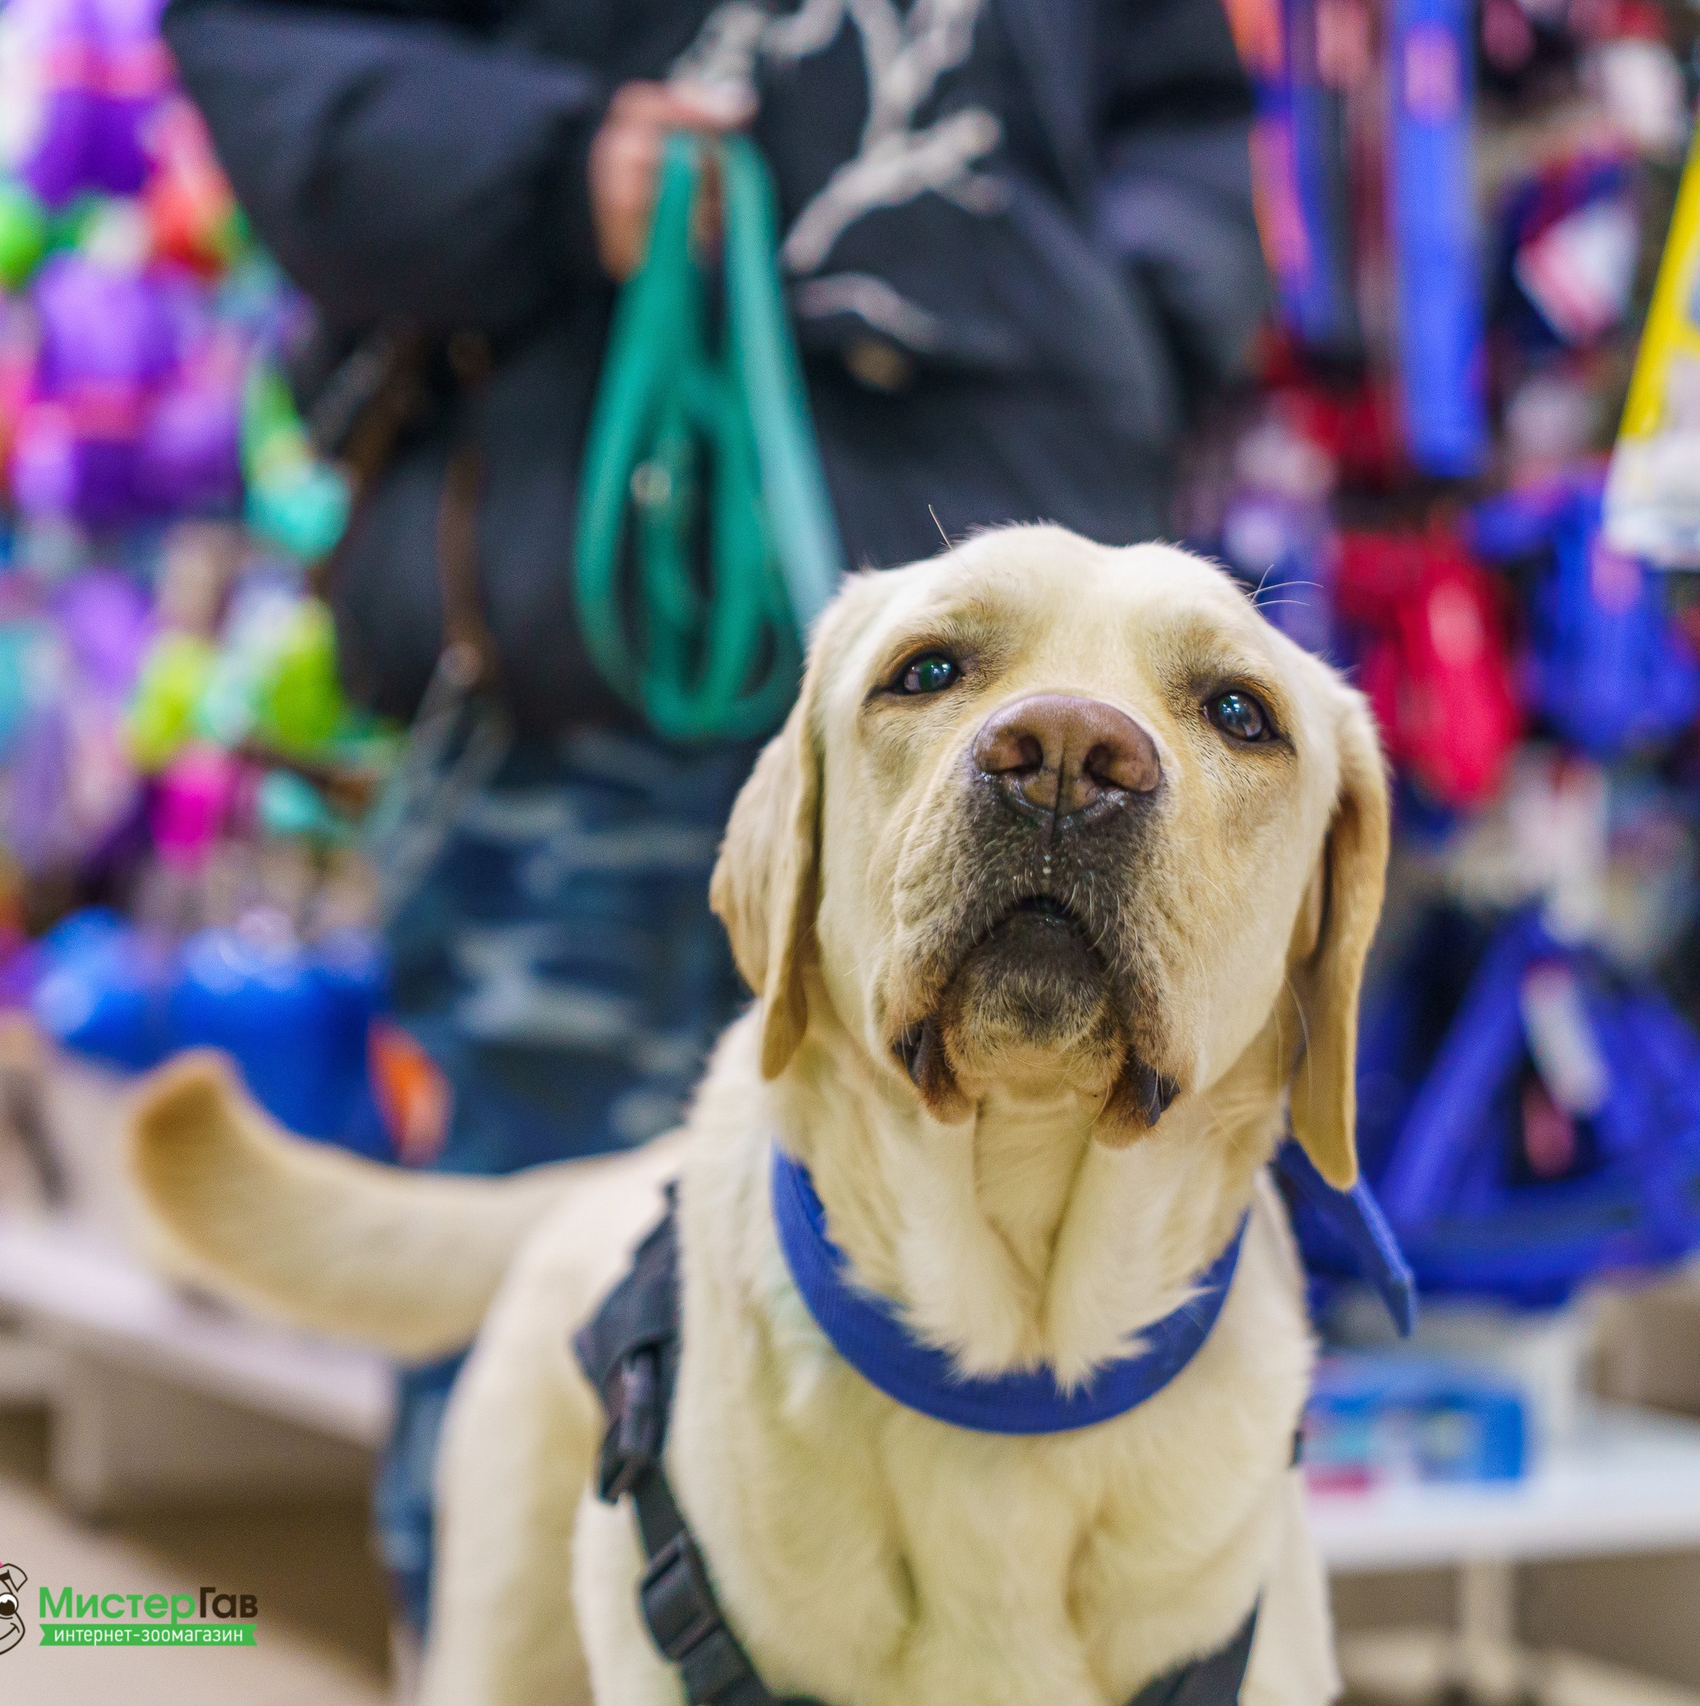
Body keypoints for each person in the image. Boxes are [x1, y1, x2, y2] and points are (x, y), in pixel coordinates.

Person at [160, 0, 1265, 1628]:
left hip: (1022, 607)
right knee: (541, 1352)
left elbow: (1176, 95)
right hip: (600, 658)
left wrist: (1135, 319)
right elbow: (271, 44)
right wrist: (550, 173)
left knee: (1019, 1334)